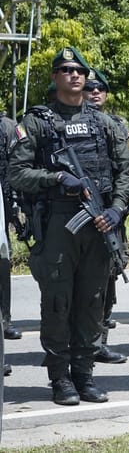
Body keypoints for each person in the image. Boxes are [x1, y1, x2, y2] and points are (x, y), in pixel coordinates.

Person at [9, 47, 129, 405]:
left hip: (100, 224)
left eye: (79, 70)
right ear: (54, 77)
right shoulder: (36, 121)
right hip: (59, 224)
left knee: (92, 303)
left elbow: (125, 174)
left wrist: (117, 210)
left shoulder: (104, 124)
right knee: (58, 304)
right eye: (65, 70)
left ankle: (84, 375)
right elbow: (16, 173)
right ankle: (60, 378)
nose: (74, 75)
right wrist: (56, 178)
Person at [82, 69, 129, 364]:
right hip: (76, 211)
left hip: (110, 214)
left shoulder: (116, 125)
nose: (95, 92)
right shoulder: (61, 123)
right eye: (89, 88)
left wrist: (120, 206)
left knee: (108, 280)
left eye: (100, 89)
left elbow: (127, 172)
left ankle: (99, 343)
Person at [0, 110, 20, 347]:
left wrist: (15, 206)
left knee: (2, 262)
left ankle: (5, 320)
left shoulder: (6, 126)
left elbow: (17, 166)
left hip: (2, 202)